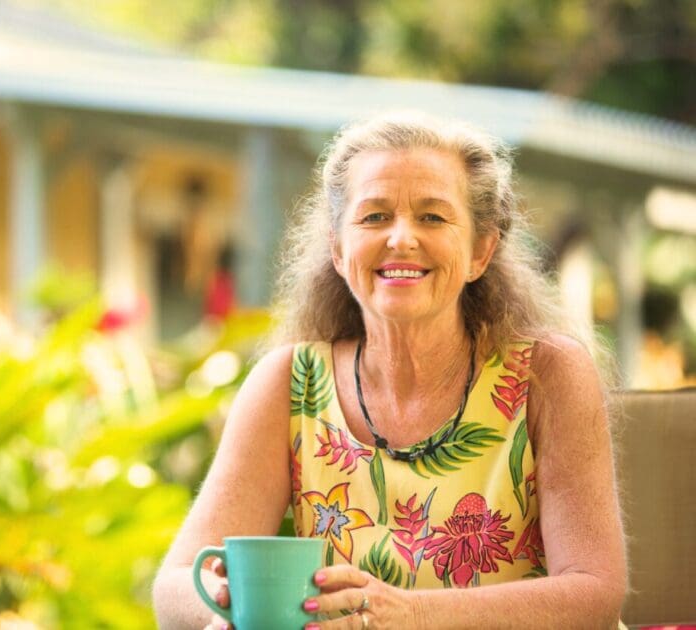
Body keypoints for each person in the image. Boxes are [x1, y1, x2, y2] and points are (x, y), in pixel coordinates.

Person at [152, 111, 626, 629]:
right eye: (374, 217)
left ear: (481, 250)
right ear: (338, 248)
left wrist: (409, 614)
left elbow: (594, 593)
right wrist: (227, 611)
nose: (401, 239)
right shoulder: (289, 384)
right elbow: (177, 582)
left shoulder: (547, 373)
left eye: (433, 217)